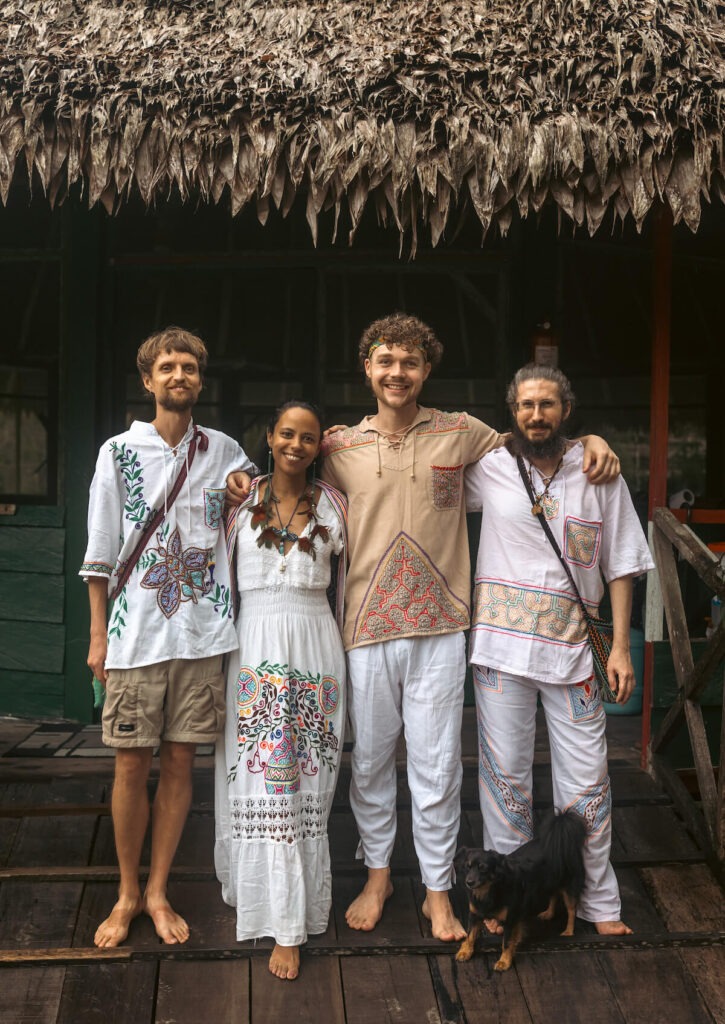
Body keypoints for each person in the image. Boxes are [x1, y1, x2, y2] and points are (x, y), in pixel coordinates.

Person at [227, 312, 618, 943]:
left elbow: (535, 448)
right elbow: (286, 462)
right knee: (373, 762)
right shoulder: (337, 447)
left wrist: (588, 441)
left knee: (437, 766)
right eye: (385, 361)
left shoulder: (463, 434)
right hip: (364, 630)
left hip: (441, 629)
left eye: (409, 363)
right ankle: (379, 875)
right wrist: (239, 477)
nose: (397, 373)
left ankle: (438, 892)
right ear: (368, 369)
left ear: (426, 369)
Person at [465, 363, 654, 934]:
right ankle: (505, 902)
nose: (535, 414)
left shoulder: (599, 472)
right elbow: (427, 476)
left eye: (546, 404)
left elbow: (621, 563)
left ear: (566, 411)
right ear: (512, 411)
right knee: (504, 784)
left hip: (575, 650)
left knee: (587, 783)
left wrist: (620, 646)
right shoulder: (490, 468)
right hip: (500, 651)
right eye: (525, 405)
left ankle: (598, 903)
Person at [81, 326, 255, 948]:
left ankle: (158, 890)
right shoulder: (117, 453)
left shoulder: (226, 451)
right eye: (167, 367)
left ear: (200, 381)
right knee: (131, 764)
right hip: (136, 638)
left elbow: (257, 498)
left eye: (188, 367)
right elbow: (100, 552)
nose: (178, 376)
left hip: (204, 635)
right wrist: (99, 635)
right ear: (148, 379)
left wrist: (246, 488)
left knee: (180, 761)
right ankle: (127, 892)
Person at [214, 401, 348, 981]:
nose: (296, 444)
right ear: (268, 438)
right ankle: (265, 904)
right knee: (261, 779)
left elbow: (353, 583)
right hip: (253, 648)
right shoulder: (236, 501)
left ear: (321, 445)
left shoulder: (336, 506)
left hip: (317, 649)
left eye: (309, 437)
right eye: (286, 434)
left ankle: (292, 924)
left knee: (304, 783)